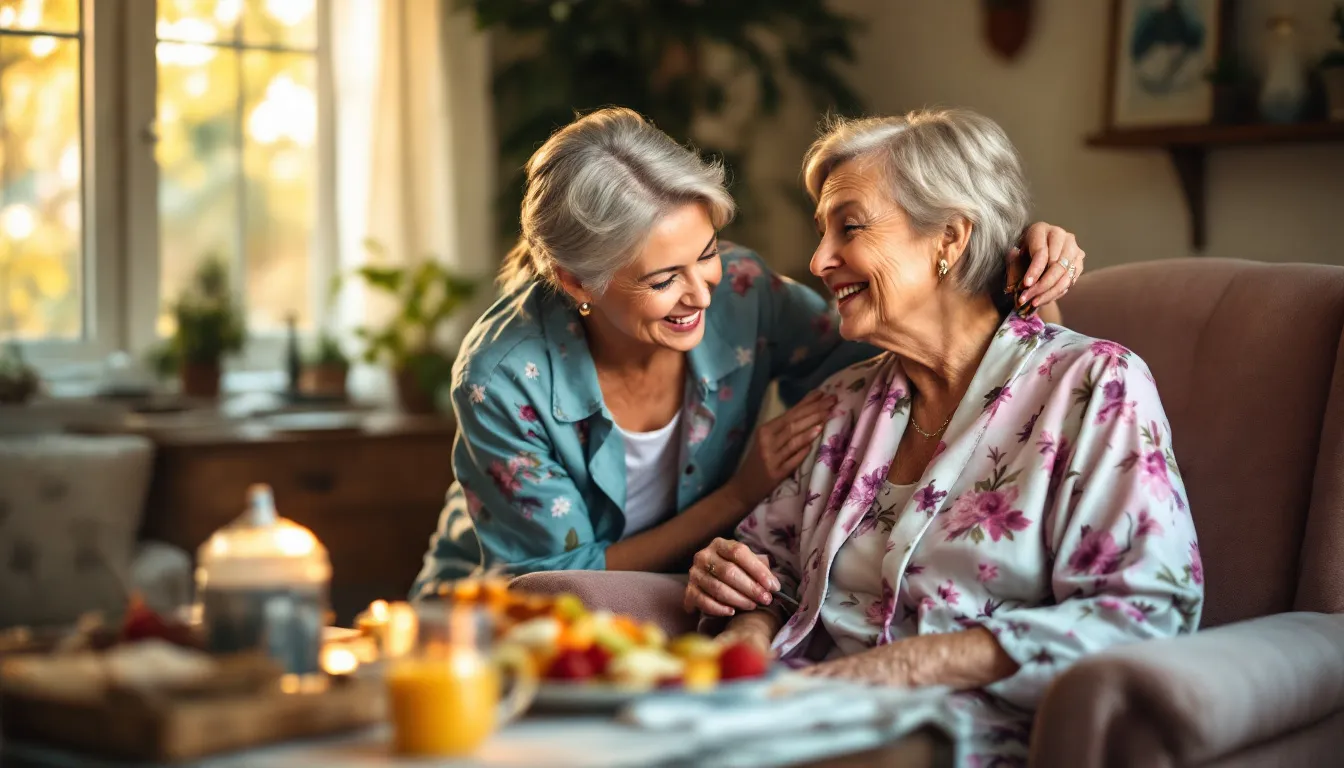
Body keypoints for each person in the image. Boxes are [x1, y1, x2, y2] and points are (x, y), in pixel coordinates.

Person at [684, 108, 1202, 763]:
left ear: (950, 240)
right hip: (795, 714)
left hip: (966, 738)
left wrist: (893, 670)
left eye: (849, 228)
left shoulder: (1095, 384)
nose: (818, 260)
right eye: (822, 232)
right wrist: (744, 621)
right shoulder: (841, 403)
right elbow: (771, 573)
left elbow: (1145, 612)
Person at [413, 107, 1086, 594]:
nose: (700, 294)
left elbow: (895, 362)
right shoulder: (502, 380)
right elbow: (553, 580)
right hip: (496, 615)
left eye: (704, 253)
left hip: (685, 598)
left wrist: (1014, 262)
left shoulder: (741, 289)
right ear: (575, 281)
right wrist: (738, 493)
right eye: (660, 279)